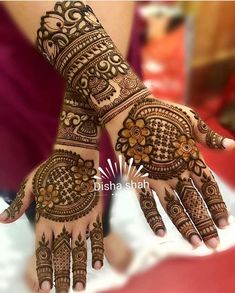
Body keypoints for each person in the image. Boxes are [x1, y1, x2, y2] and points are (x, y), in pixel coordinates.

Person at [1, 1, 234, 293]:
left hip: (111, 41)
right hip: (13, 76)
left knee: (103, 174)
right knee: (25, 182)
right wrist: (120, 105)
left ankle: (105, 229)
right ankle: (39, 234)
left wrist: (108, 113)